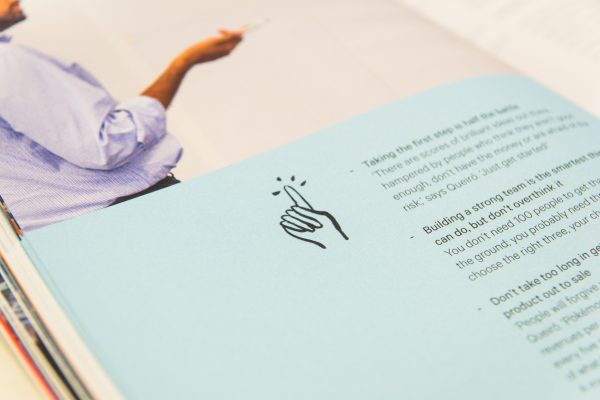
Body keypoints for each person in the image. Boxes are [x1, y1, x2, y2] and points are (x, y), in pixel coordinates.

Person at [0, 0, 243, 230]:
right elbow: (107, 146)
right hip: (137, 216)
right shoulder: (7, 62)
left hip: (74, 235)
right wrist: (184, 63)